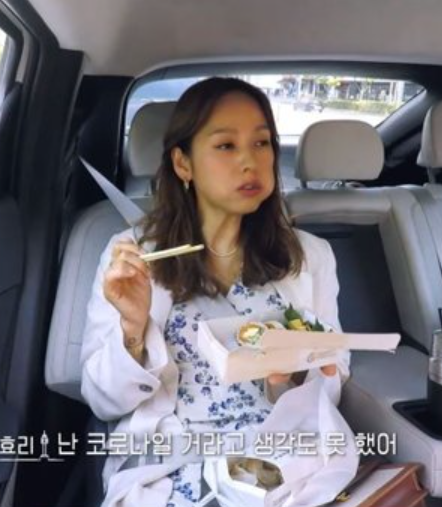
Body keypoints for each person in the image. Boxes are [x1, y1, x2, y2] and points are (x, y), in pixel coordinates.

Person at [81, 77, 357, 507]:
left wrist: (294, 376)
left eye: (262, 143)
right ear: (183, 163)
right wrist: (132, 328)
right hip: (176, 465)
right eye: (226, 145)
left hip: (281, 461)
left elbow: (332, 382)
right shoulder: (134, 257)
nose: (250, 161)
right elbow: (104, 401)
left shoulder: (309, 256)